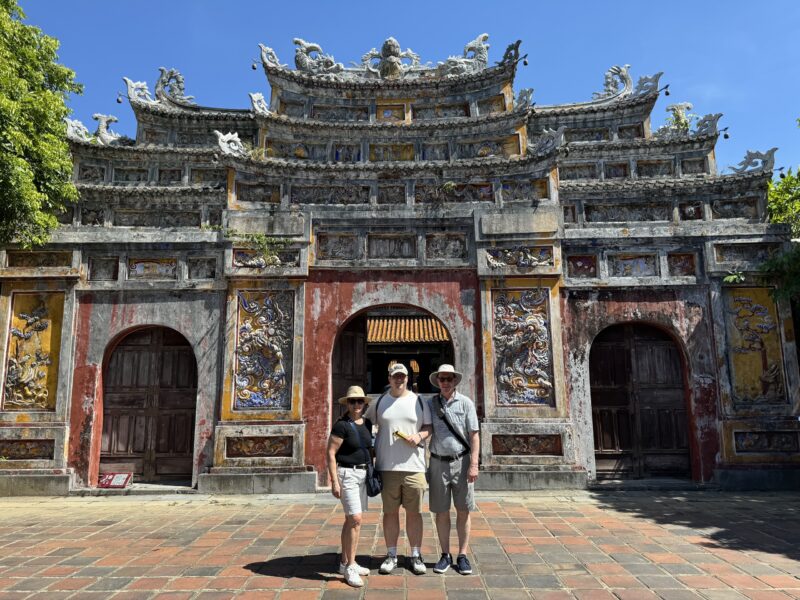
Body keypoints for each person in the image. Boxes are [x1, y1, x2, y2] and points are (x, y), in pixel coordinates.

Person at [364, 362, 432, 575]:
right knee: (390, 513)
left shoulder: (419, 401)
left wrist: (419, 436)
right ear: (389, 378)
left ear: (408, 378)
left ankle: (415, 554)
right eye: (395, 376)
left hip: (414, 467)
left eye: (402, 376)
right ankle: (391, 554)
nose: (399, 379)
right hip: (387, 466)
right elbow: (365, 424)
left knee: (415, 513)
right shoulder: (380, 402)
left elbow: (428, 427)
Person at [427, 364, 480, 575]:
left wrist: (474, 464)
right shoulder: (431, 404)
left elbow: (474, 435)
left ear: (455, 381)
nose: (446, 382)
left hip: (462, 461)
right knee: (441, 511)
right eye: (442, 379)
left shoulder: (466, 403)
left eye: (449, 379)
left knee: (463, 509)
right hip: (438, 462)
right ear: (438, 381)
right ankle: (445, 554)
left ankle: (463, 554)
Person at [326, 385, 374, 587]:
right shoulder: (341, 425)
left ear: (364, 403)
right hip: (347, 474)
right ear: (347, 403)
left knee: (350, 520)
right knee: (355, 519)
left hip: (362, 474)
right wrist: (334, 480)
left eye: (360, 401)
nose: (356, 405)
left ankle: (345, 562)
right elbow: (330, 453)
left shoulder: (367, 423)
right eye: (352, 401)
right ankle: (351, 566)